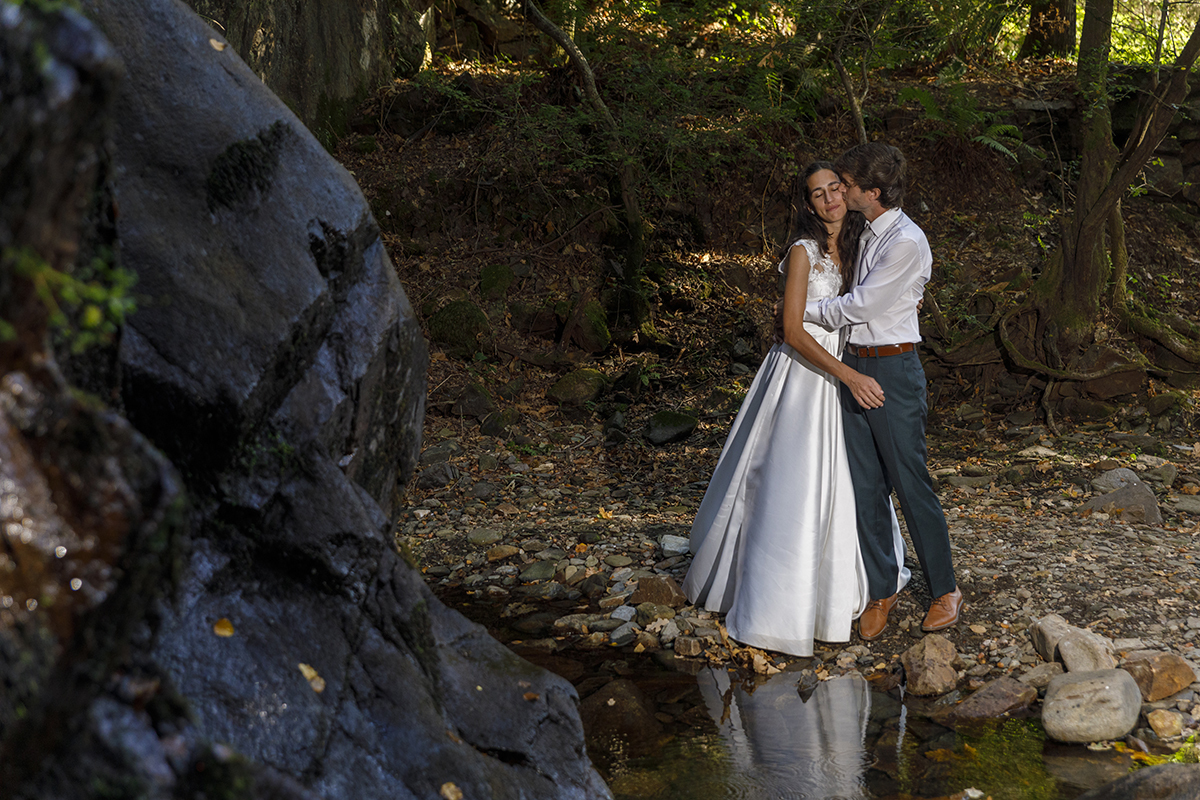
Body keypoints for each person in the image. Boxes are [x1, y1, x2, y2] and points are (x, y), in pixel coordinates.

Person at [682, 161, 910, 658]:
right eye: (818, 193)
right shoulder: (803, 252)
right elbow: (791, 329)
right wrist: (849, 375)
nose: (829, 199)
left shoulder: (859, 245)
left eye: (835, 188)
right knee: (793, 481)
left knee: (854, 478)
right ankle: (782, 599)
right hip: (806, 377)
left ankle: (855, 583)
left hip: (848, 371)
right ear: (808, 205)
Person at [805, 142, 962, 640]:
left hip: (892, 371)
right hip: (854, 366)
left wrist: (799, 313)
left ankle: (945, 590)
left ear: (871, 192)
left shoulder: (906, 242)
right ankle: (882, 587)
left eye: (847, 184)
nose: (840, 189)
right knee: (865, 486)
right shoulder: (867, 230)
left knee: (911, 483)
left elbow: (861, 306)